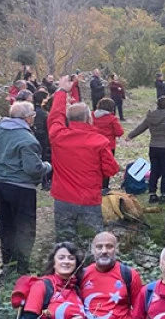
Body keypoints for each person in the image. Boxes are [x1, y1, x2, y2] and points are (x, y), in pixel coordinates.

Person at [0, 101, 51, 275]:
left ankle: (8, 264)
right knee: (25, 228)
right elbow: (33, 169)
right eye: (33, 116)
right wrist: (48, 166)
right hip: (22, 189)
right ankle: (22, 267)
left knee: (5, 226)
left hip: (1, 186)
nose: (34, 119)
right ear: (27, 118)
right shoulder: (28, 140)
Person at [48, 78, 119, 243]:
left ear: (69, 119)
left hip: (63, 199)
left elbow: (55, 117)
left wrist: (61, 91)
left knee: (65, 243)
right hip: (89, 199)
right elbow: (111, 170)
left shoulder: (58, 136)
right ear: (89, 118)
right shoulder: (99, 142)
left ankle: (64, 267)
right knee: (94, 243)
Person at [126, 96, 165, 204]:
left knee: (154, 171)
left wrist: (130, 136)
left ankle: (152, 194)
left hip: (153, 147)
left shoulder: (150, 117)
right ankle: (164, 195)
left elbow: (140, 128)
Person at [92, 98, 123, 193]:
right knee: (106, 166)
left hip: (94, 144)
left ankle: (94, 185)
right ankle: (104, 186)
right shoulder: (112, 119)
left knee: (94, 165)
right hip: (108, 146)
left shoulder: (91, 115)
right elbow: (119, 132)